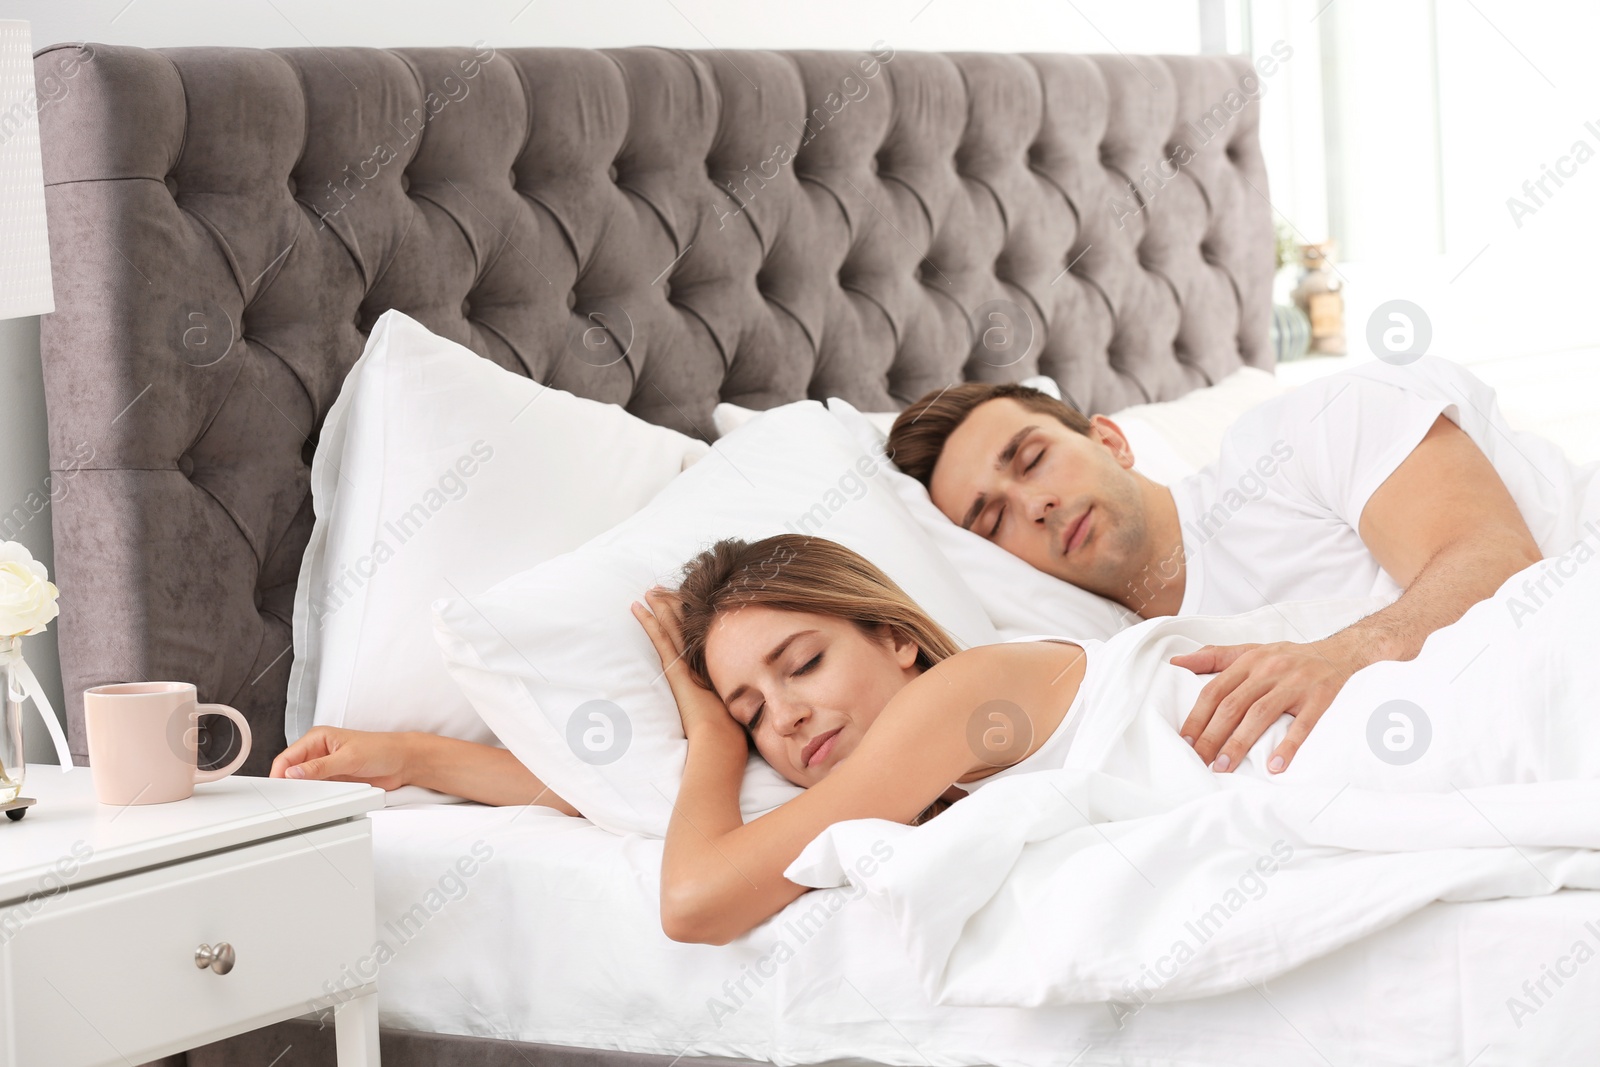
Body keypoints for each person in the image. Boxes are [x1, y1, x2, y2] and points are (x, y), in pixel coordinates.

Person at [884, 358, 1567, 778]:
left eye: (1032, 459)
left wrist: (1345, 654)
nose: (1035, 504)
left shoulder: (1296, 438)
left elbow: (1501, 565)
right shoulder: (1132, 673)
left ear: (1111, 439)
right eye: (990, 518)